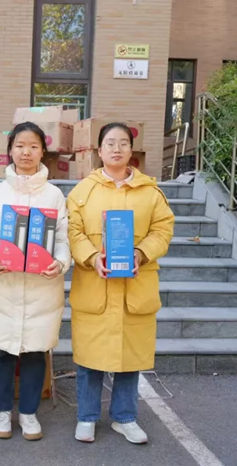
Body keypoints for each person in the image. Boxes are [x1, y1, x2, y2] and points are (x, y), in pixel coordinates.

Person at [67, 122, 175, 445]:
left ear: (131, 150)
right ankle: (86, 417)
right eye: (110, 143)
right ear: (99, 150)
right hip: (95, 286)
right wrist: (91, 257)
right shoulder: (82, 192)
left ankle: (125, 417)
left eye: (123, 143)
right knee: (90, 358)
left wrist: (141, 252)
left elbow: (163, 230)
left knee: (131, 358)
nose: (117, 149)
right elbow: (73, 232)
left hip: (135, 288)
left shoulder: (150, 193)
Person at [0, 122, 71, 441]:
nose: (26, 152)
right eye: (19, 145)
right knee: (2, 351)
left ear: (43, 151)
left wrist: (60, 262)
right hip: (3, 286)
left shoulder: (54, 195)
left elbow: (62, 238)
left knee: (34, 351)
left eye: (33, 146)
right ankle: (2, 410)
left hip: (41, 287)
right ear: (10, 151)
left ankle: (29, 413)